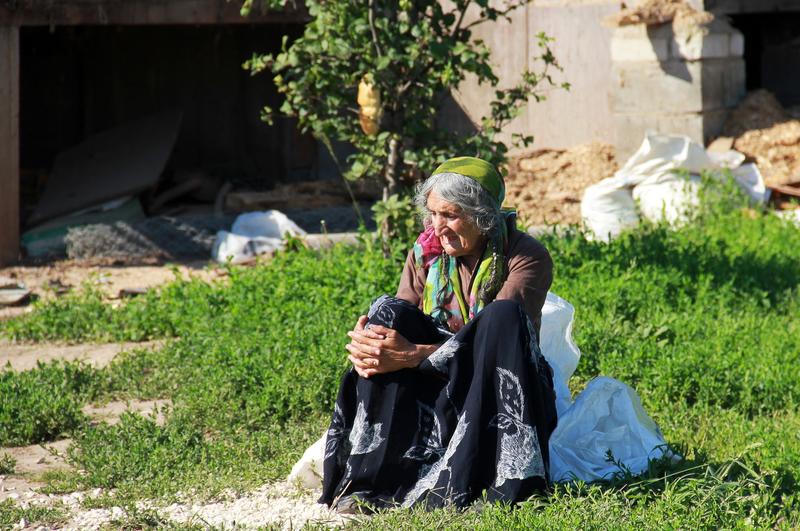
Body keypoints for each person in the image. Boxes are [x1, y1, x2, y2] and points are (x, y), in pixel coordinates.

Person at [319, 156, 558, 512]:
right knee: (388, 312)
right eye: (433, 213)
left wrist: (413, 354)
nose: (438, 226)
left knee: (501, 315)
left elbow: (496, 344)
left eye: (450, 215)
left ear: (483, 217)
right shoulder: (426, 252)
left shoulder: (524, 257)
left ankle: (503, 482)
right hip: (436, 378)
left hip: (499, 383)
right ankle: (370, 482)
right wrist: (372, 342)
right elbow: (400, 323)